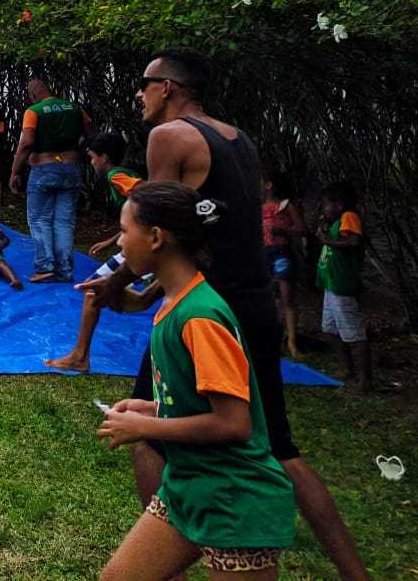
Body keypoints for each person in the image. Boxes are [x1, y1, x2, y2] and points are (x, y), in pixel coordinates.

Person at [79, 49, 366, 580]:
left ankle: (170, 555)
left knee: (150, 431)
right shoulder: (235, 135)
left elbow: (158, 217)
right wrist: (143, 295)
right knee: (277, 444)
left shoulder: (167, 137)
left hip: (207, 307)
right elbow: (208, 229)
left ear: (167, 87)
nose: (139, 95)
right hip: (250, 300)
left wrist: (117, 279)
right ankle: (356, 573)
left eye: (144, 85)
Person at [97, 182, 295, 581]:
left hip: (235, 501)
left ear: (155, 238)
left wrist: (145, 427)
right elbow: (202, 402)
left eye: (124, 230)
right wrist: (151, 407)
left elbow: (233, 423)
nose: (120, 241)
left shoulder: (200, 317)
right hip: (187, 489)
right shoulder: (174, 303)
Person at [44, 133, 141, 372]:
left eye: (92, 157)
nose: (92, 162)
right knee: (94, 289)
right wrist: (111, 241)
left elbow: (147, 199)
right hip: (140, 244)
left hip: (146, 249)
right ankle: (80, 355)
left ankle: (79, 357)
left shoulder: (115, 175)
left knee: (91, 289)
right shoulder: (126, 173)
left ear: (104, 157)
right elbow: (138, 215)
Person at [9, 78, 93, 283]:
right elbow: (90, 130)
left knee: (40, 220)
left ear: (33, 94)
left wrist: (15, 171)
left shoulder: (33, 111)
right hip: (71, 169)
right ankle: (64, 270)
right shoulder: (74, 108)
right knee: (64, 222)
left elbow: (27, 142)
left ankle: (45, 266)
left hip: (43, 169)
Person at [316, 182, 368, 393]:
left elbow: (354, 242)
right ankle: (346, 368)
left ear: (339, 204)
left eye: (326, 205)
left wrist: (327, 240)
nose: (323, 209)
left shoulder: (349, 217)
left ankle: (364, 380)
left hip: (342, 285)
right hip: (331, 285)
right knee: (331, 328)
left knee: (352, 332)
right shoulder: (338, 221)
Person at [263, 171, 306, 359]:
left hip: (282, 254)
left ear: (269, 185)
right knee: (267, 300)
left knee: (287, 298)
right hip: (262, 256)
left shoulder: (286, 206)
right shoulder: (256, 207)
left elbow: (302, 229)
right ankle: (274, 338)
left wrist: (284, 230)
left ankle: (292, 342)